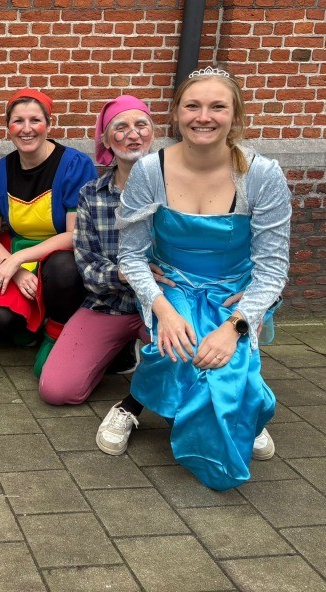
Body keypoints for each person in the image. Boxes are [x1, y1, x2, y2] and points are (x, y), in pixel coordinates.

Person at [98, 67, 291, 491]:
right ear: (176, 113)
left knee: (224, 359)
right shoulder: (150, 170)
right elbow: (131, 255)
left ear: (235, 116)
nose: (204, 117)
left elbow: (273, 267)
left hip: (234, 290)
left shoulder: (262, 175)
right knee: (181, 347)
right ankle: (139, 406)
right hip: (172, 285)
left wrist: (237, 324)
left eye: (217, 107)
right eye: (193, 106)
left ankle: (244, 404)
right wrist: (163, 311)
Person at [39, 94, 164, 405]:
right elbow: (88, 266)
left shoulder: (174, 187)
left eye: (141, 125)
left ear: (153, 133)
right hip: (109, 305)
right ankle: (119, 348)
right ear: (106, 141)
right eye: (121, 127)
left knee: (196, 375)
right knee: (57, 390)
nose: (133, 134)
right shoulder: (91, 195)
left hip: (164, 306)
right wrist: (123, 274)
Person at [0, 89, 97, 375]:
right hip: (14, 249)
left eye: (35, 120)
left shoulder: (75, 166)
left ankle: (56, 332)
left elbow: (74, 235)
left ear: (49, 124)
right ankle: (29, 327)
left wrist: (18, 260)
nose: (27, 129)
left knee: (63, 270)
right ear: (8, 127)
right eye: (18, 121)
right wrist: (15, 268)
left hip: (61, 254)